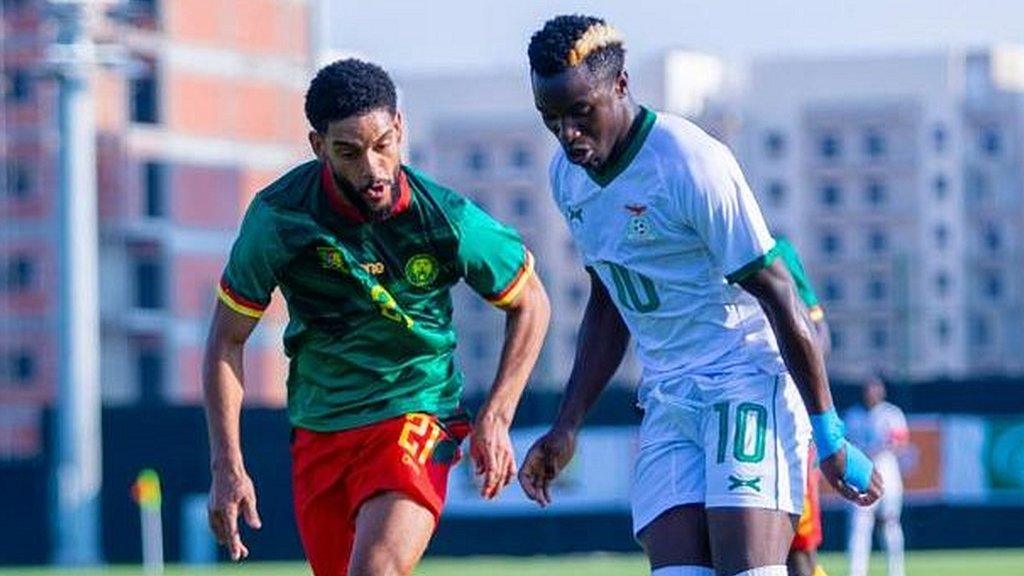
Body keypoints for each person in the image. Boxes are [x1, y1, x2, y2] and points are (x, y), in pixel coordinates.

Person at [517, 15, 882, 576]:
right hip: (667, 396)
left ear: (619, 85)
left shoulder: (689, 161)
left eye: (579, 112)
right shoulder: (567, 180)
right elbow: (609, 302)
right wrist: (567, 424)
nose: (568, 134)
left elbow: (779, 295)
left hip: (745, 382)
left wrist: (828, 435)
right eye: (552, 119)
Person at [202, 59, 550, 576]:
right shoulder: (279, 218)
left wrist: (497, 415)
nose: (374, 169)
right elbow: (226, 343)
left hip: (417, 410)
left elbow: (532, 302)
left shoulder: (446, 218)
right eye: (349, 151)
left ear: (400, 128)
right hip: (320, 429)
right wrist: (227, 465)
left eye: (384, 144)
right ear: (318, 146)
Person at [776, 238, 830, 576]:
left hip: (784, 417)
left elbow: (819, 329)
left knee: (798, 546)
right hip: (714, 410)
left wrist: (805, 380)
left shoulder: (777, 251)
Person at [845, 377, 909, 576]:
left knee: (890, 522)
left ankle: (896, 572)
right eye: (869, 389)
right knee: (859, 524)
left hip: (885, 469)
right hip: (860, 471)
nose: (872, 393)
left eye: (876, 389)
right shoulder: (852, 415)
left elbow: (901, 443)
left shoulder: (891, 414)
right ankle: (857, 572)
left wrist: (879, 449)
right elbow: (843, 445)